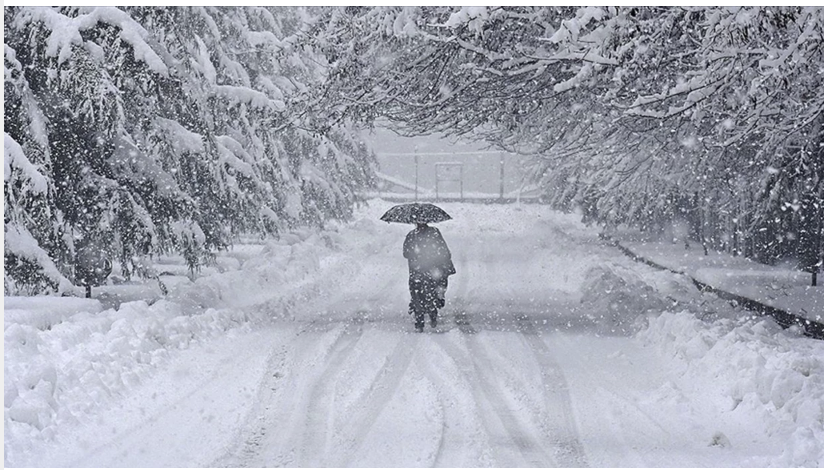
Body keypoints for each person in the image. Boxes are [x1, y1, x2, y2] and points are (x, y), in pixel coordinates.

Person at [403, 222, 455, 332]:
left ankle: (420, 321)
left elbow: (406, 253)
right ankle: (432, 314)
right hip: (431, 271)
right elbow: (444, 251)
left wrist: (416, 254)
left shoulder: (411, 235)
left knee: (417, 295)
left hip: (417, 272)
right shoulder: (434, 233)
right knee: (430, 294)